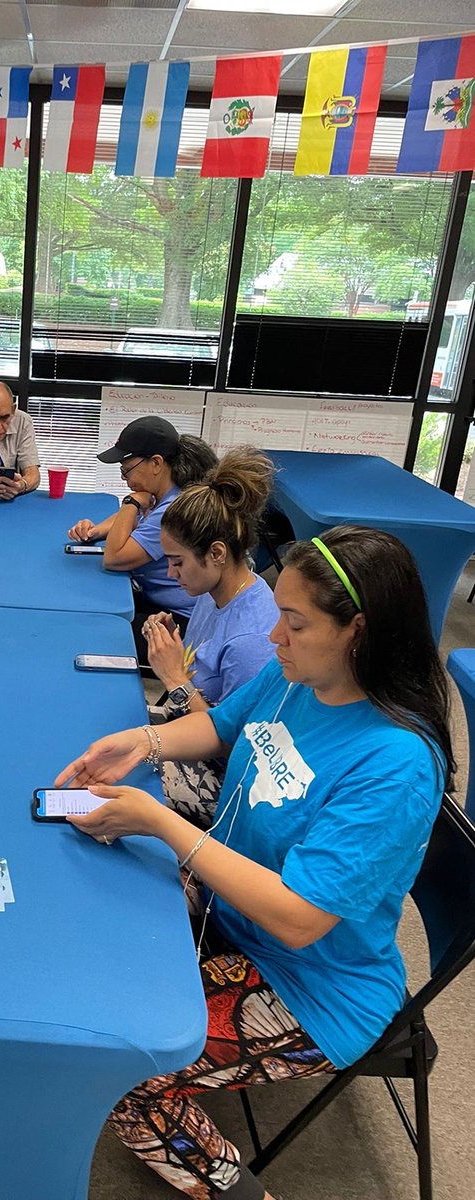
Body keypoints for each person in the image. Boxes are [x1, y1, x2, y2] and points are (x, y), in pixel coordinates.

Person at [55, 525, 453, 1200]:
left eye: (293, 623)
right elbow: (220, 724)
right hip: (234, 913)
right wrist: (141, 741)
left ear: (358, 630)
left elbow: (298, 921)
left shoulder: (395, 764)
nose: (275, 637)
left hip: (313, 986)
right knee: (93, 898)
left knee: (116, 1076)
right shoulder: (301, 674)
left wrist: (162, 824)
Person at [142, 448, 280, 820]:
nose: (171, 575)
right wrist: (172, 648)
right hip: (185, 726)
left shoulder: (251, 641)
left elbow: (236, 750)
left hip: (226, 781)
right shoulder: (214, 590)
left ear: (216, 553)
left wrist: (173, 677)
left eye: (177, 562)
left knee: (115, 781)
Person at [68, 417, 217, 636]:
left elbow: (114, 558)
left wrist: (131, 501)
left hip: (181, 621)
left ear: (156, 463)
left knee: (95, 629)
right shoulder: (168, 491)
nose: (125, 479)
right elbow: (136, 520)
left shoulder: (173, 512)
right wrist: (95, 530)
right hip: (156, 602)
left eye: (127, 470)